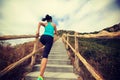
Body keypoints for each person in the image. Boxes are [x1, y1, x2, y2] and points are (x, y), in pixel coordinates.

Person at [36, 14, 57, 80]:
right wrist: (55, 33)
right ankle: (40, 76)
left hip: (42, 37)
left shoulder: (45, 24)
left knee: (45, 47)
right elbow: (56, 32)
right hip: (49, 38)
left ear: (47, 20)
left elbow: (39, 23)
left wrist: (37, 31)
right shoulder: (54, 25)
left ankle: (44, 46)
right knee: (45, 55)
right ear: (51, 20)